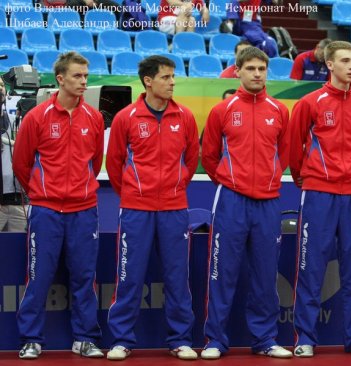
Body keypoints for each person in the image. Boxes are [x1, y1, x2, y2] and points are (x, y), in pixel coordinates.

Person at [289, 40, 351, 358]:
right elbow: (294, 147)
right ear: (329, 65)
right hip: (319, 193)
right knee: (311, 267)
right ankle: (305, 337)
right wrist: (306, 178)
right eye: (345, 60)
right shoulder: (310, 102)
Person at [105, 55, 199, 361]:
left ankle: (180, 339)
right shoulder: (126, 117)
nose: (172, 82)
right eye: (166, 77)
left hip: (174, 209)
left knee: (177, 277)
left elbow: (192, 160)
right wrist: (136, 192)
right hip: (136, 210)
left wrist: (175, 187)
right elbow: (114, 162)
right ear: (148, 81)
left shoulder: (185, 116)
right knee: (129, 276)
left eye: (173, 77)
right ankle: (121, 339)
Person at [200, 46, 291, 360]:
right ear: (237, 71)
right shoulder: (222, 111)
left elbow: (286, 152)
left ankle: (265, 339)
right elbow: (209, 156)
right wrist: (231, 181)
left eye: (261, 69)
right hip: (231, 201)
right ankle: (215, 340)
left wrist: (269, 179)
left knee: (266, 276)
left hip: (268, 202)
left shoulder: (279, 111)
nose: (256, 74)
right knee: (222, 273)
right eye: (250, 68)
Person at [12, 52, 105, 359]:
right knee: (39, 276)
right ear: (61, 79)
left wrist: (77, 191)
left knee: (84, 276)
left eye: (86, 76)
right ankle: (31, 339)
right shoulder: (37, 117)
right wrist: (43, 193)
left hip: (83, 209)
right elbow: (21, 165)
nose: (84, 82)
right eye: (78, 76)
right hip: (46, 211)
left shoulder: (94, 117)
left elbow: (95, 163)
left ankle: (85, 338)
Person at [1, 77, 27, 232]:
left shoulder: (16, 123)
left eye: (2, 85)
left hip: (18, 202)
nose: (0, 88)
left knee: (18, 253)